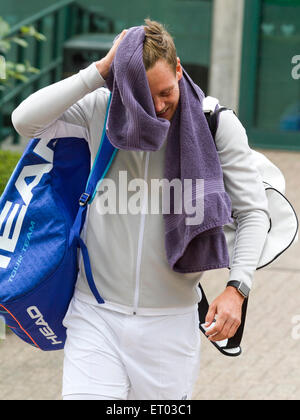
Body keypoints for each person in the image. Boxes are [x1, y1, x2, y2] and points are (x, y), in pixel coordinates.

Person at [11, 19, 270, 400]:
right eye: (145, 99)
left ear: (179, 69)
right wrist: (99, 72)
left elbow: (253, 213)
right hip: (95, 316)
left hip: (171, 324)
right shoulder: (102, 108)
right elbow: (24, 121)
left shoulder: (216, 123)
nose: (159, 106)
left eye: (166, 91)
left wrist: (238, 287)